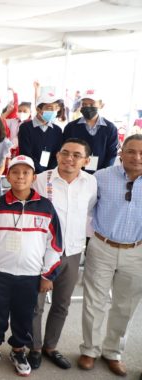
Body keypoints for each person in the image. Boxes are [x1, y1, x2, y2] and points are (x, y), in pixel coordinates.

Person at [0, 155, 63, 376]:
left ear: (34, 177)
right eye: (15, 172)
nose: (20, 177)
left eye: (26, 173)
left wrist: (47, 275)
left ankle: (18, 349)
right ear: (8, 176)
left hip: (31, 274)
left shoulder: (45, 207)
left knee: (24, 314)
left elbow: (54, 245)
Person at [26, 139, 97, 370]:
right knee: (35, 304)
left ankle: (50, 347)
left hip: (73, 251)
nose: (69, 158)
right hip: (42, 252)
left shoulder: (91, 183)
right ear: (57, 155)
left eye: (77, 155)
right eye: (65, 153)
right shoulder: (40, 179)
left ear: (86, 160)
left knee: (62, 304)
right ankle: (34, 347)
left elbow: (89, 211)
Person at [77, 134, 142, 377]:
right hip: (102, 246)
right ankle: (90, 350)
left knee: (125, 306)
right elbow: (85, 208)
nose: (137, 157)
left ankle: (113, 352)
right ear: (121, 153)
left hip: (137, 251)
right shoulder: (102, 177)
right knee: (94, 301)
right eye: (132, 151)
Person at [62, 89, 119, 173]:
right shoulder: (71, 127)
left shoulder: (110, 128)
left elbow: (111, 154)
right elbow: (65, 151)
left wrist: (103, 173)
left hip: (100, 175)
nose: (87, 107)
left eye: (92, 104)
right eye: (84, 104)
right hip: (74, 174)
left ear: (101, 105)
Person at [18, 91, 64, 174]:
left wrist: (49, 171)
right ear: (38, 109)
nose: (53, 111)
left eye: (56, 108)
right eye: (49, 108)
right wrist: (40, 171)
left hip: (50, 174)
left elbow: (57, 154)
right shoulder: (25, 128)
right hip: (31, 172)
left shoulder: (57, 130)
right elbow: (26, 153)